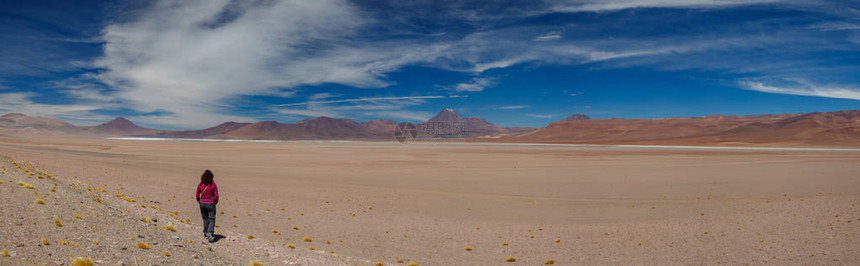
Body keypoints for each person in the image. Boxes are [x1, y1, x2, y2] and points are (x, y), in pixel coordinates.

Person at [196, 169, 219, 243]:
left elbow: (197, 194)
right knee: (211, 219)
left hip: (202, 204)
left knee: (205, 218)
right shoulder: (213, 184)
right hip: (210, 204)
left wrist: (200, 201)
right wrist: (214, 202)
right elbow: (216, 195)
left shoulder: (201, 184)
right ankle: (210, 232)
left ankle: (205, 233)